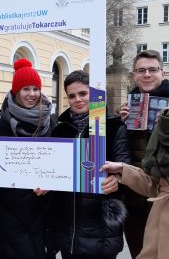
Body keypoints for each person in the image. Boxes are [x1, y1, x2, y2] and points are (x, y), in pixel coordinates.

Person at [102, 61, 169, 259]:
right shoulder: (167, 124)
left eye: (152, 70)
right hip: (158, 232)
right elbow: (157, 185)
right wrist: (123, 169)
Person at [46, 70, 131, 259]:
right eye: (72, 96)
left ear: (93, 95)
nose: (78, 99)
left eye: (83, 94)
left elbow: (125, 167)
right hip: (68, 228)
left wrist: (117, 178)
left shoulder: (114, 127)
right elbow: (52, 169)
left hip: (101, 228)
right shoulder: (60, 129)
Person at [0, 58, 53, 259]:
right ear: (16, 91)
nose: (32, 94)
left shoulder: (51, 120)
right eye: (25, 89)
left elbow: (57, 162)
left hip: (42, 206)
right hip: (8, 207)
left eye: (35, 89)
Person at [118, 50, 169, 258]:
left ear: (163, 73)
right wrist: (121, 124)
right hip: (134, 200)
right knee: (138, 252)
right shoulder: (128, 106)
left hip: (167, 199)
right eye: (141, 70)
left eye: (152, 69)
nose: (147, 74)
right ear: (134, 76)